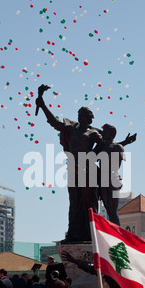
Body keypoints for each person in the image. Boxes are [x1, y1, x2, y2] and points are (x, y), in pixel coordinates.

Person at [36, 84, 103, 242]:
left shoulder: (94, 132)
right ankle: (73, 234)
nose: (80, 117)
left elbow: (104, 145)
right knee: (74, 202)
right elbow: (54, 122)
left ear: (89, 118)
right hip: (73, 168)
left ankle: (93, 233)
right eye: (79, 114)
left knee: (90, 201)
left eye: (83, 115)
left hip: (88, 170)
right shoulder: (71, 129)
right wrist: (42, 103)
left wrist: (92, 155)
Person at [94, 123, 136, 225]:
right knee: (108, 209)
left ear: (111, 134)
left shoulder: (118, 147)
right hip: (103, 181)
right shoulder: (102, 147)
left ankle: (117, 237)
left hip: (113, 180)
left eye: (105, 132)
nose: (102, 133)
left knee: (112, 211)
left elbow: (117, 165)